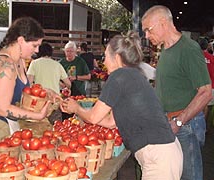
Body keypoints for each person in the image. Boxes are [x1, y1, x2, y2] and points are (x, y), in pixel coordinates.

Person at [61, 31, 183, 180]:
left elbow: (93, 117)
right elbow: (110, 122)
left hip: (158, 154)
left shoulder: (119, 76)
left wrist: (77, 108)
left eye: (106, 57)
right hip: (165, 151)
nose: (104, 62)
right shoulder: (133, 75)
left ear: (117, 57)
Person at [141, 5, 212, 180]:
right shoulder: (166, 49)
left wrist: (178, 122)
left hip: (185, 126)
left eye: (148, 30)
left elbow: (205, 92)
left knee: (190, 176)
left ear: (163, 23)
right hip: (171, 123)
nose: (146, 36)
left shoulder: (188, 48)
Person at [0, 17, 59, 155]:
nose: (37, 51)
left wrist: (46, 92)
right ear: (20, 41)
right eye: (34, 45)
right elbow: (2, 109)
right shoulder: (5, 66)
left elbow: (23, 92)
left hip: (6, 122)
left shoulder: (19, 61)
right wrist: (37, 115)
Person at [27, 42, 71, 124]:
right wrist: (63, 86)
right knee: (56, 128)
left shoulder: (34, 63)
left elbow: (28, 82)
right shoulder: (57, 65)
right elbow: (68, 83)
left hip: (39, 102)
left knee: (40, 128)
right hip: (55, 102)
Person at [198, 38, 214, 130]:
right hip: (210, 85)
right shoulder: (211, 58)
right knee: (206, 107)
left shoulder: (195, 56)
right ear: (207, 46)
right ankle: (203, 127)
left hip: (197, 86)